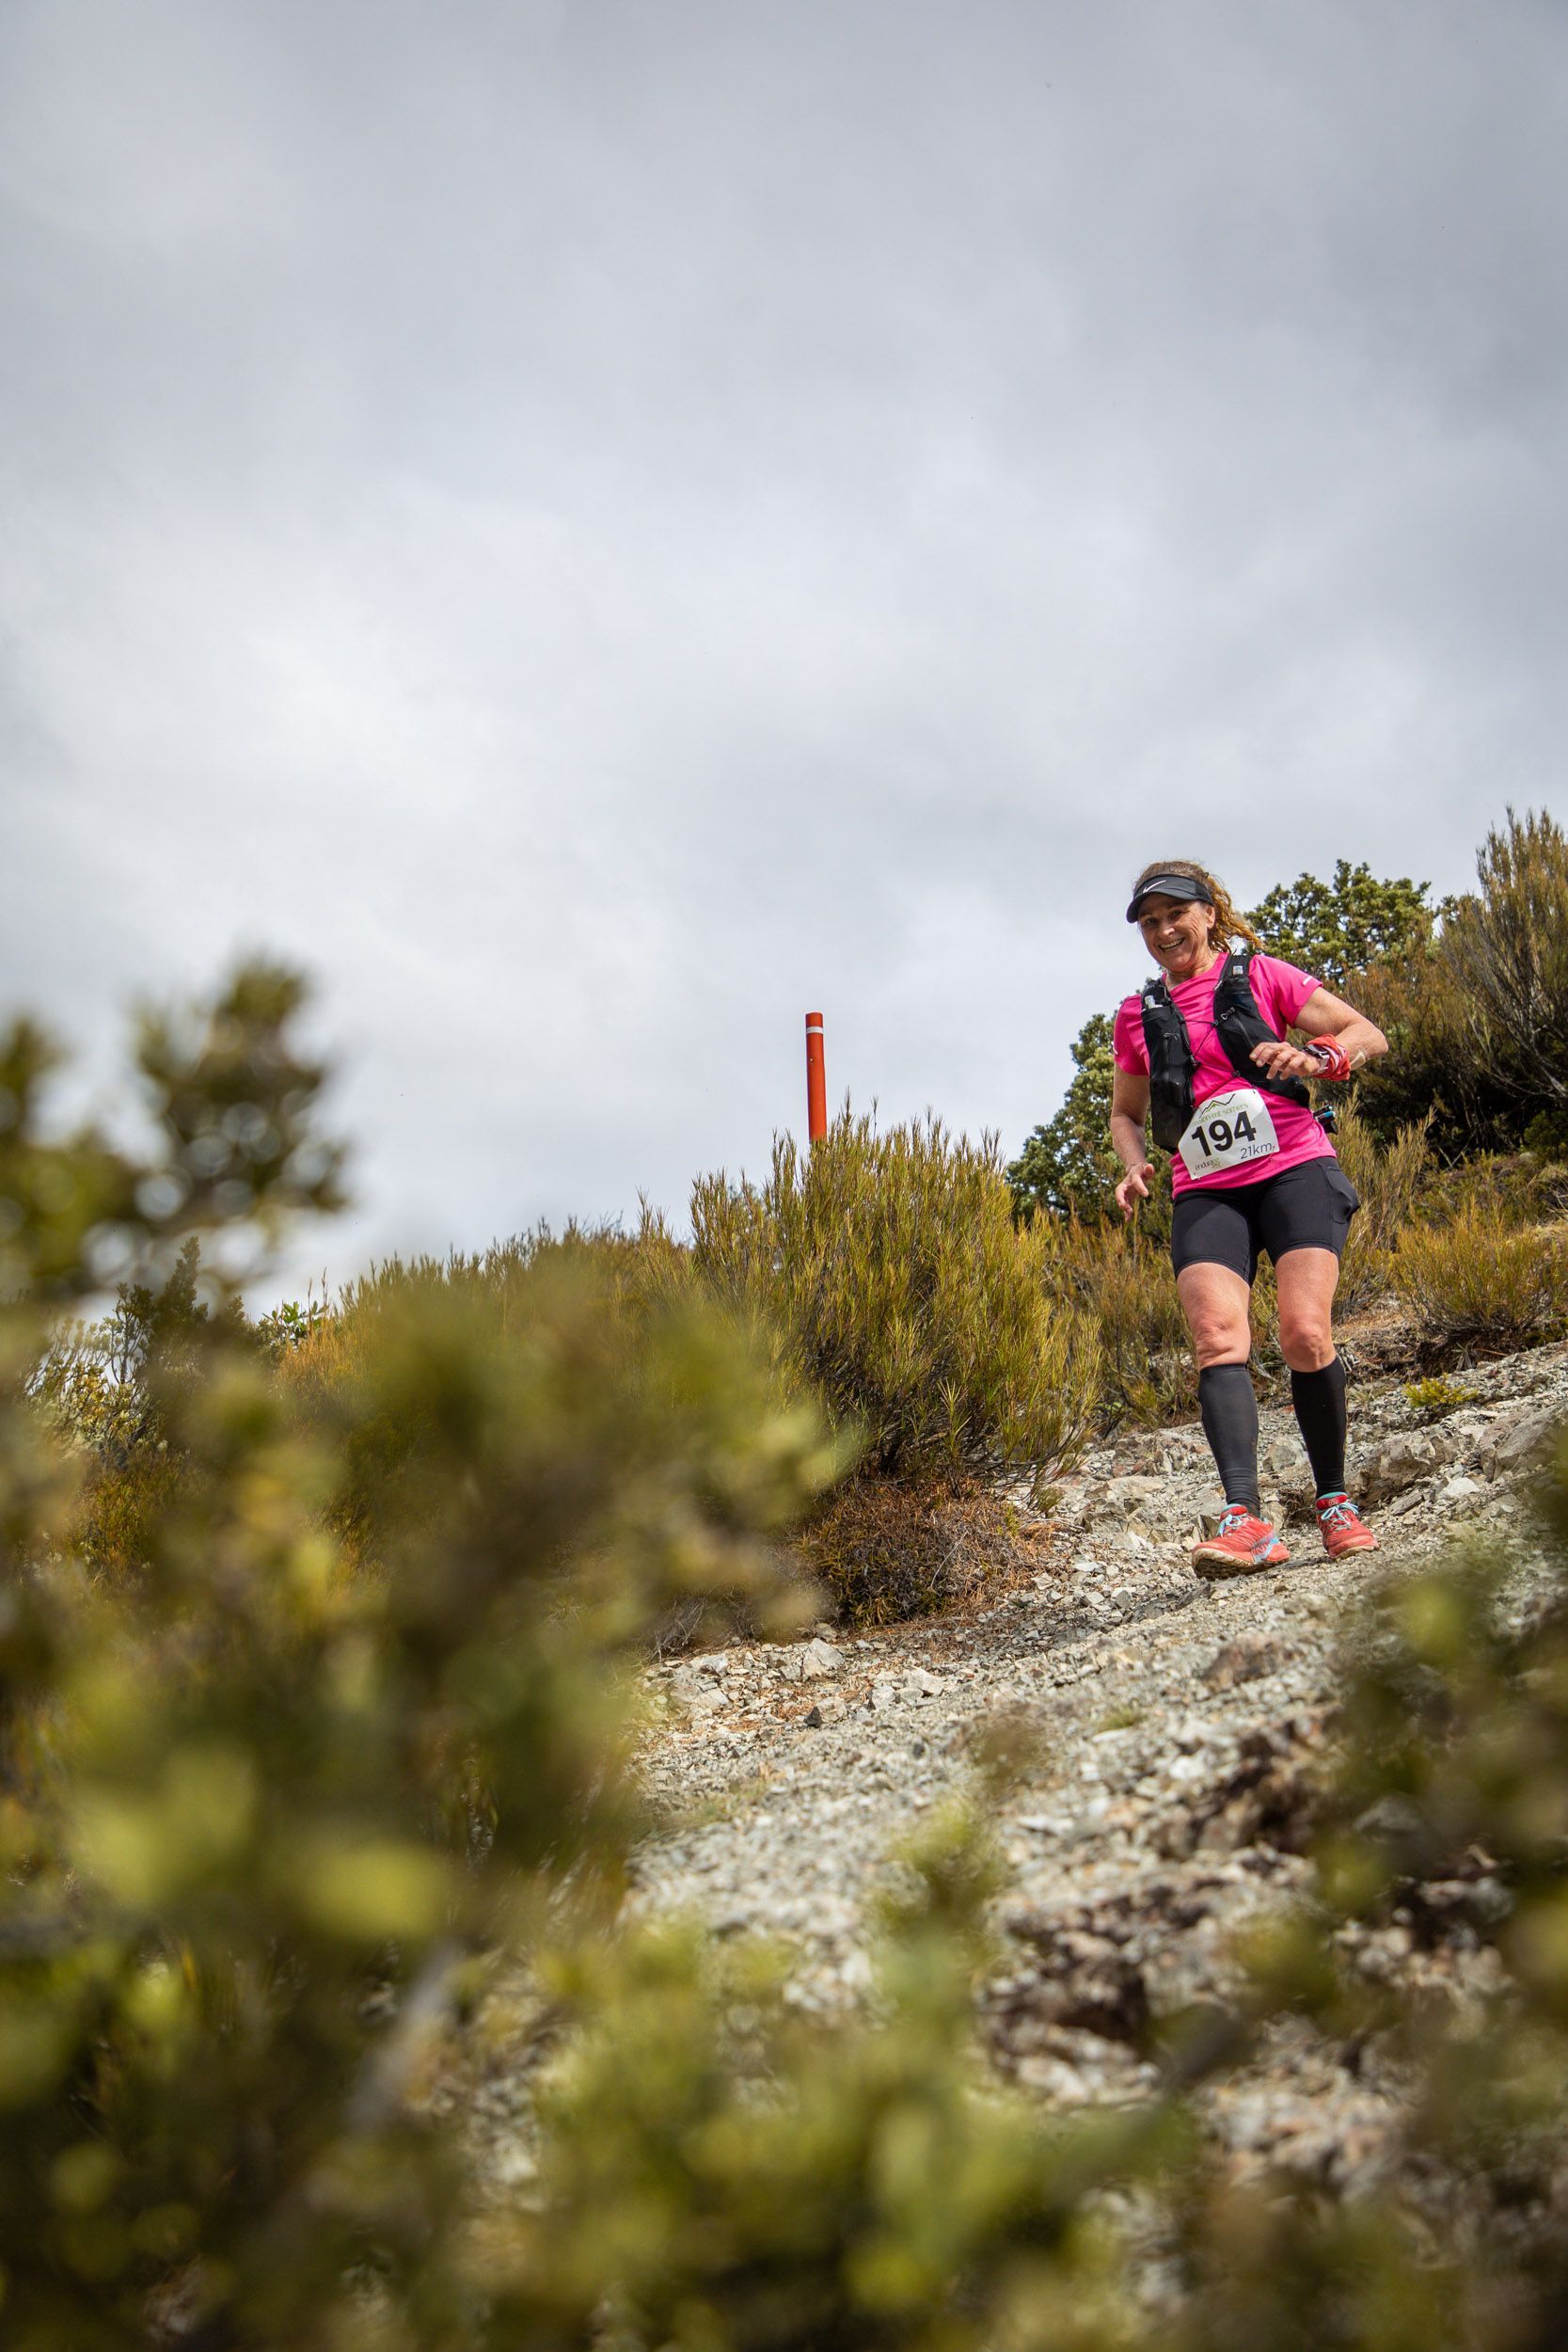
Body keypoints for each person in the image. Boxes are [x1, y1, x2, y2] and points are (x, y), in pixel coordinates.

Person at [1109, 859, 1388, 1575]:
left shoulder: (1264, 975)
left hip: (1296, 1167)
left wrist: (1317, 1057)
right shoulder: (1137, 1016)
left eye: (1176, 914)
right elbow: (1125, 1111)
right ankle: (1245, 1521)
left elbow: (1365, 1033)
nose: (1164, 930)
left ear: (1208, 913)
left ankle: (1333, 1502)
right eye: (1149, 922)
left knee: (1303, 1333)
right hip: (1205, 1188)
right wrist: (1133, 1161)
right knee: (1214, 1338)